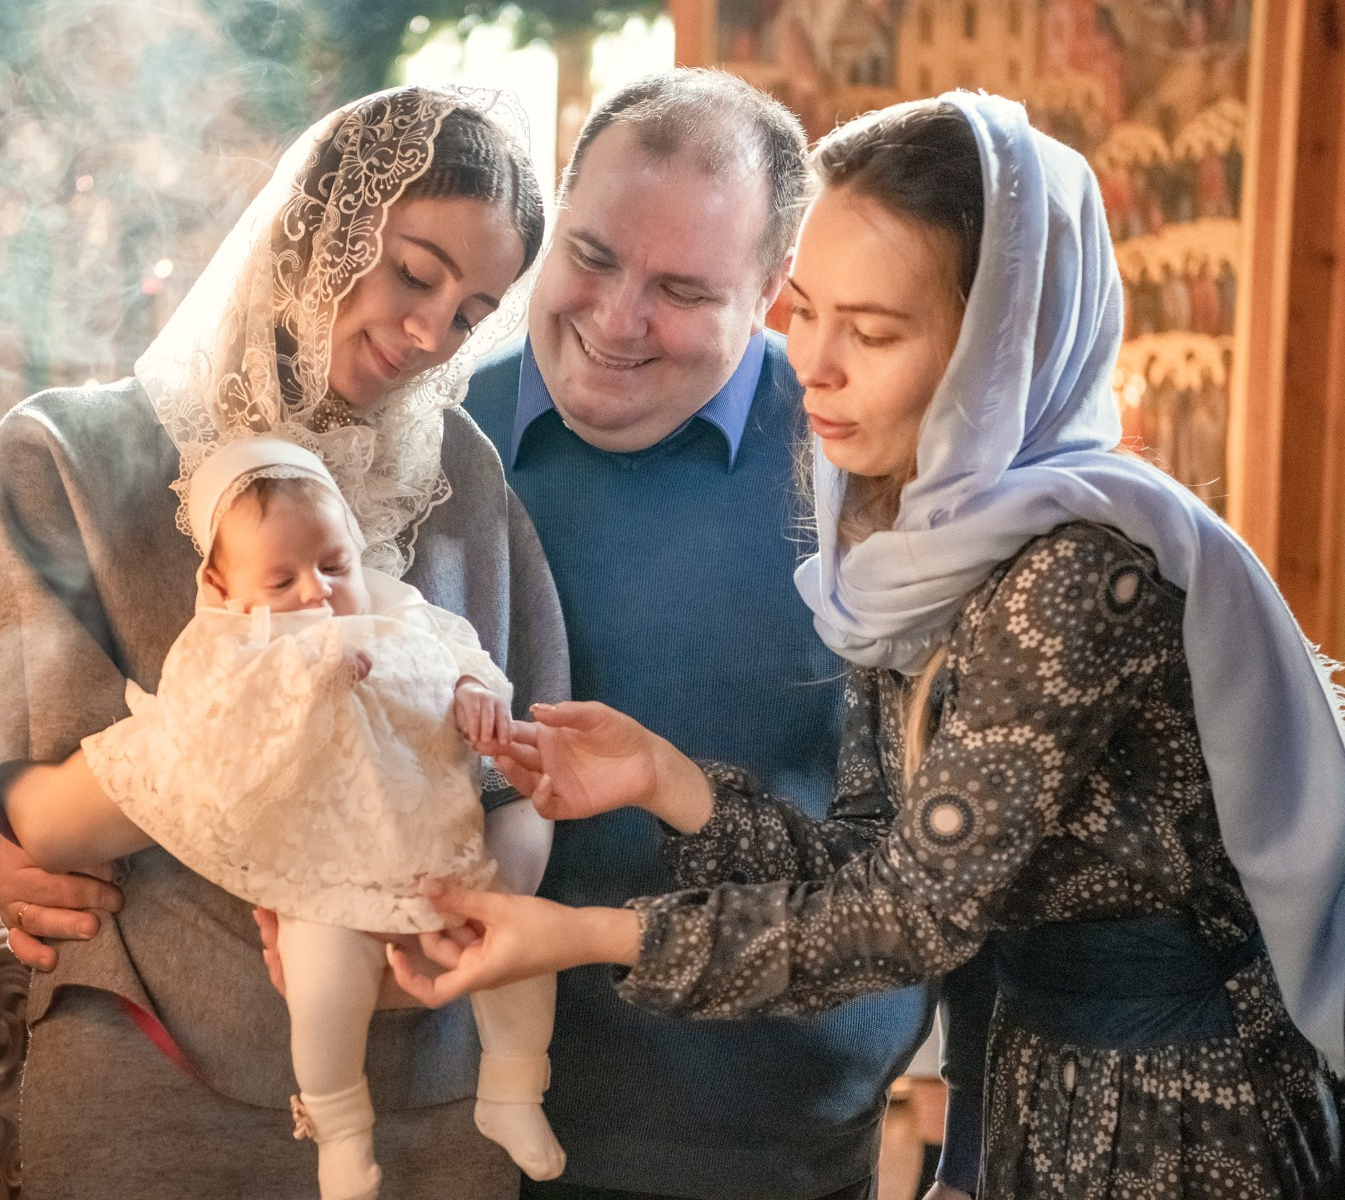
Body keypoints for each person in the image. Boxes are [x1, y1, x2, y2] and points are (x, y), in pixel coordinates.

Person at [393, 91, 1345, 1200]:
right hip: (1041, 1092)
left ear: (997, 352)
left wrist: (585, 934)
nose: (815, 366)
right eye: (809, 313)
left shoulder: (1082, 572)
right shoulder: (912, 532)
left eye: (876, 331)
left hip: (1168, 1120)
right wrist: (666, 779)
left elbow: (911, 912)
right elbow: (875, 848)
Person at [0, 85, 570, 1199]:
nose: (432, 333)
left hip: (429, 1090)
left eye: (472, 312)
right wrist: (34, 830)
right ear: (314, 227)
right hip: (155, 1081)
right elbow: (46, 808)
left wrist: (473, 919)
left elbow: (529, 770)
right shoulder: (70, 458)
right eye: (414, 273)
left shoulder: (460, 473)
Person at [459, 69, 932, 1200]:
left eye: (680, 289)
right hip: (458, 1118)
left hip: (778, 1141)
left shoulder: (862, 465)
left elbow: (969, 841)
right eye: (592, 257)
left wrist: (967, 1154)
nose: (617, 319)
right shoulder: (436, 430)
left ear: (772, 289)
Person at [0, 436, 565, 1200]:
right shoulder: (229, 646)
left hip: (440, 856)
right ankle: (339, 1127)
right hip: (322, 872)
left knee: (526, 957)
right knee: (323, 988)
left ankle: (513, 1090)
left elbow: (457, 653)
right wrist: (311, 671)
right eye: (282, 579)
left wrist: (472, 693)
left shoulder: (396, 609)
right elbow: (211, 724)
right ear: (222, 586)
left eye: (333, 564)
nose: (316, 592)